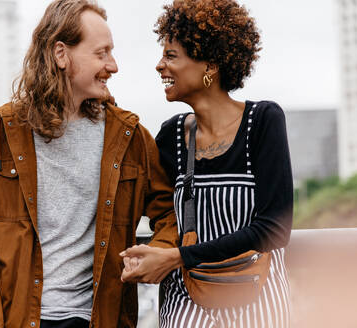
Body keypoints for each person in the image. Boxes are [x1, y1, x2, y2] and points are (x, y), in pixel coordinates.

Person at [0, 1, 178, 327]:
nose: (113, 66)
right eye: (102, 53)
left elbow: (171, 212)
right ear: (61, 54)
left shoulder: (130, 138)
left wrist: (160, 253)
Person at [120, 0, 293, 327]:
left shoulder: (263, 121)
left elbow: (275, 229)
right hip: (185, 304)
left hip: (257, 301)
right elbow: (152, 206)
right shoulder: (170, 136)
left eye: (171, 56)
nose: (159, 66)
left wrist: (176, 257)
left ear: (209, 66)